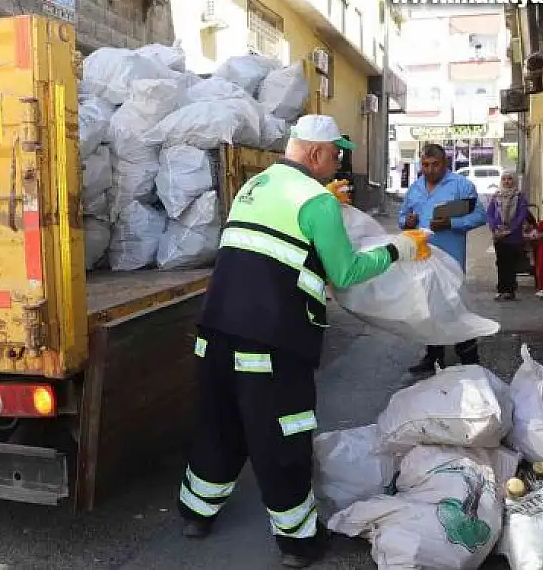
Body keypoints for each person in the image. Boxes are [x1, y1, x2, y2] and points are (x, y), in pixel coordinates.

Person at [177, 115, 430, 569]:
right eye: (335, 153)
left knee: (219, 425)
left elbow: (277, 238)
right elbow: (347, 271)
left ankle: (196, 514)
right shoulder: (317, 202)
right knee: (283, 440)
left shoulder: (255, 186)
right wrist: (400, 248)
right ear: (315, 153)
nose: (339, 162)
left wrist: (324, 205)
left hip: (214, 334)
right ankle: (298, 541)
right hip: (271, 346)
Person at [398, 143, 487, 376]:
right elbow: (402, 217)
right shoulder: (415, 187)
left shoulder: (461, 186)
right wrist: (406, 222)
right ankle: (433, 355)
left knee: (455, 306)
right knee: (429, 306)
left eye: (435, 164)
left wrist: (452, 223)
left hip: (451, 259)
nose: (430, 169)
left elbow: (479, 215)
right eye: (425, 165)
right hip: (423, 258)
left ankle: (469, 357)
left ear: (444, 163)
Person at [486, 171, 529, 301]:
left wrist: (510, 230)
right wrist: (494, 228)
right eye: (504, 179)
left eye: (509, 179)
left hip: (513, 236)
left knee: (511, 263)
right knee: (500, 262)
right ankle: (501, 289)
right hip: (499, 235)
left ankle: (510, 290)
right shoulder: (496, 196)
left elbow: (522, 215)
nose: (506, 182)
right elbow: (489, 213)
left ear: (514, 181)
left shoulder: (520, 196)